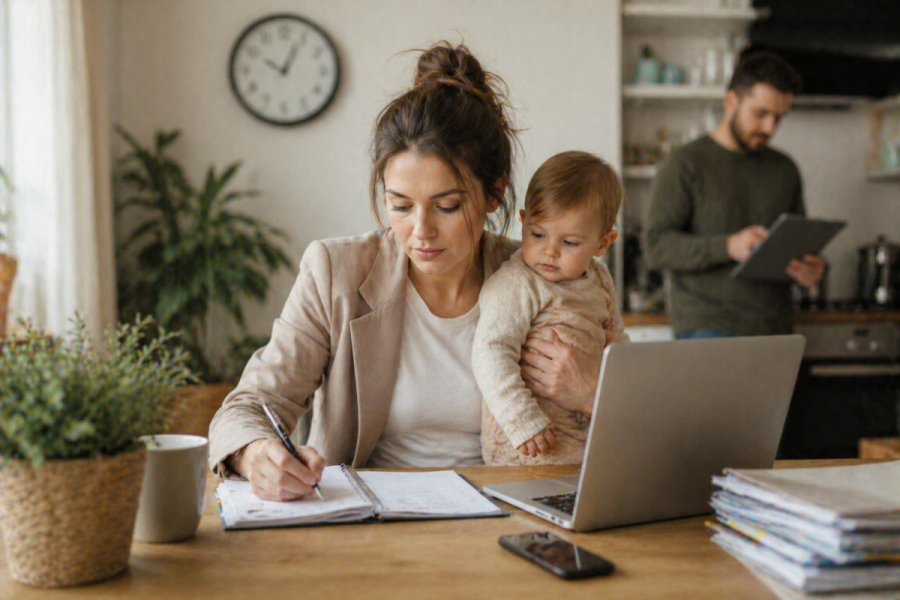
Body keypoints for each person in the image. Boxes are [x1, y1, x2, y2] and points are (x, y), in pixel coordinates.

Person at [207, 42, 605, 502]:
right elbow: (247, 406)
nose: (421, 232)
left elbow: (647, 424)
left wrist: (594, 392)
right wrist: (256, 454)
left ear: (495, 195)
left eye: (448, 206)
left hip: (515, 512)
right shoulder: (336, 273)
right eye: (399, 205)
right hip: (372, 526)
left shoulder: (545, 276)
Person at [643, 52, 825, 338]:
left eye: (779, 118)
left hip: (776, 326)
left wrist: (811, 268)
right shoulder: (685, 163)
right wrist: (728, 246)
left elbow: (798, 242)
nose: (770, 128)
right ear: (731, 102)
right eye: (761, 113)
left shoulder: (785, 168)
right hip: (708, 325)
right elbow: (656, 248)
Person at [473, 151, 628, 466]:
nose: (549, 251)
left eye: (569, 243)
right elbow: (490, 353)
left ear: (603, 243)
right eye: (538, 234)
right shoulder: (517, 284)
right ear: (523, 221)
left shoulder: (600, 278)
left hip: (586, 450)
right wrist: (523, 422)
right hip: (527, 450)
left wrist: (622, 367)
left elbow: (619, 339)